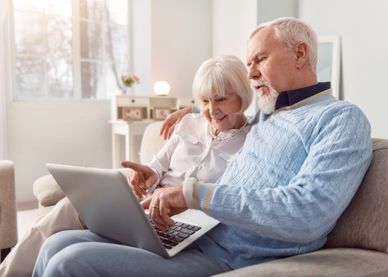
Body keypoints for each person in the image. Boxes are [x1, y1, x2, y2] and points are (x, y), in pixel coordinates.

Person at [32, 17, 373, 277]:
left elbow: (307, 214)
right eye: (249, 63)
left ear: (299, 54)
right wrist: (193, 108)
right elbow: (225, 111)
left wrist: (193, 194)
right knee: (56, 242)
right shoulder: (268, 116)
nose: (251, 73)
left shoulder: (340, 119)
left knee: (68, 263)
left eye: (259, 60)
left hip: (231, 256)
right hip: (195, 235)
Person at [0, 55, 252, 277]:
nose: (211, 110)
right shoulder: (188, 123)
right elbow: (159, 165)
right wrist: (148, 174)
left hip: (184, 224)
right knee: (55, 240)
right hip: (145, 211)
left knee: (66, 258)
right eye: (205, 101)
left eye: (220, 100)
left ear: (242, 95)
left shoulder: (253, 140)